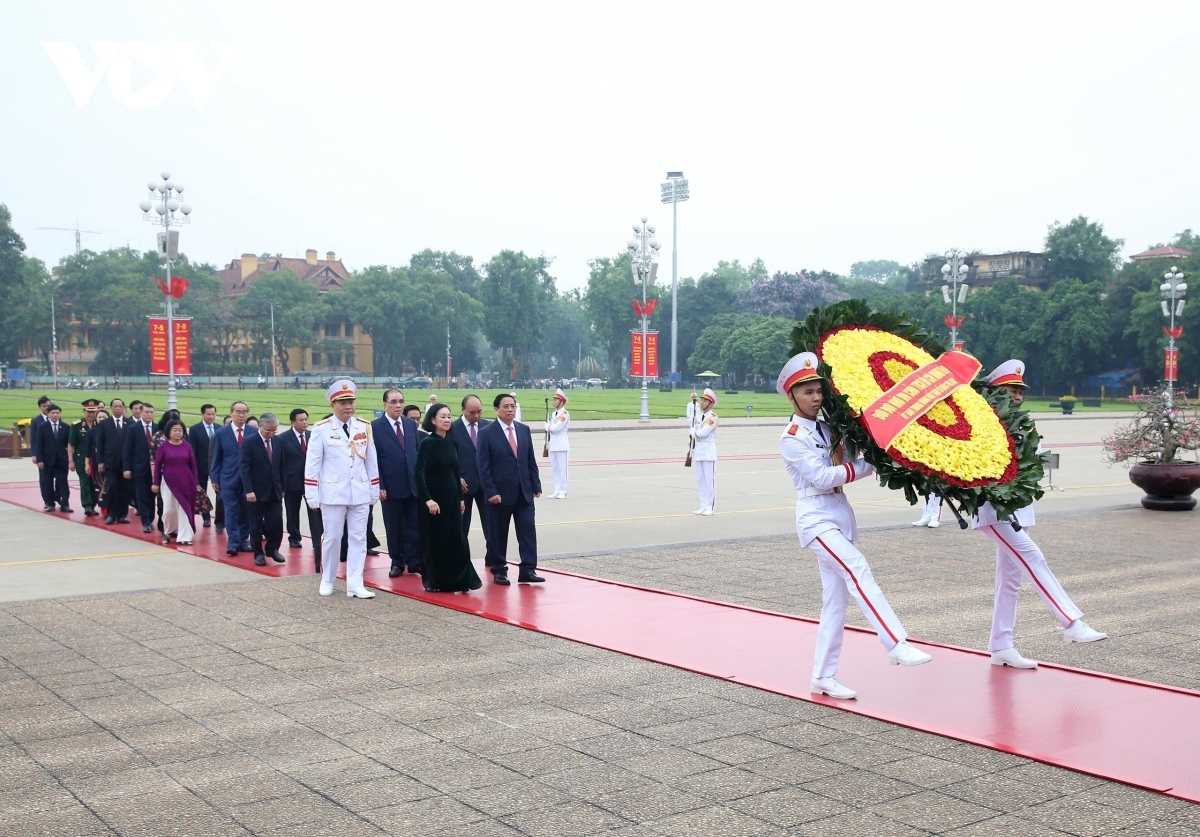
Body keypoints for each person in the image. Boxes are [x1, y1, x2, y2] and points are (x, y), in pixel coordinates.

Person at [777, 352, 931, 700]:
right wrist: (871, 465)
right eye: (807, 392)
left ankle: (822, 677)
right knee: (857, 567)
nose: (815, 397)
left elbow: (850, 454)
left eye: (818, 390)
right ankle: (896, 643)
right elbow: (822, 475)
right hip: (816, 518)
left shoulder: (830, 425)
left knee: (835, 603)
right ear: (792, 396)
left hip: (838, 513)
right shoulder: (791, 436)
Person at [972, 360, 1107, 669]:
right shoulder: (984, 422)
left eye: (1020, 390)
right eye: (1010, 389)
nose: (1017, 396)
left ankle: (1001, 645)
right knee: (1033, 558)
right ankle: (1071, 623)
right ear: (994, 392)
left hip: (1018, 507)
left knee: (1011, 578)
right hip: (993, 508)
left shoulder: (1020, 422)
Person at [305, 379, 380, 598]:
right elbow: (313, 464)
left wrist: (374, 488)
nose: (348, 406)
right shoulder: (321, 429)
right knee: (332, 537)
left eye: (351, 402)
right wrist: (312, 494)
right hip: (333, 492)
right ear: (333, 405)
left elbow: (371, 461)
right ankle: (328, 579)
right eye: (343, 402)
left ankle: (355, 583)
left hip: (359, 491)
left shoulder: (363, 427)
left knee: (359, 538)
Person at [476, 392, 543, 585]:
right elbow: (483, 466)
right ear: (496, 409)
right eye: (505, 406)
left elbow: (530, 459)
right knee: (498, 533)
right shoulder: (487, 433)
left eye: (512, 406)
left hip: (524, 492)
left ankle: (528, 570)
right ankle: (499, 570)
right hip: (499, 494)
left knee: (527, 531)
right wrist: (491, 491)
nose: (510, 410)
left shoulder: (523, 430)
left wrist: (535, 484)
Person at [416, 403, 482, 592]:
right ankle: (434, 581)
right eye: (442, 417)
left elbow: (456, 471)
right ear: (433, 420)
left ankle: (462, 579)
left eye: (448, 416)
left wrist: (461, 498)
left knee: (457, 539)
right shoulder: (427, 443)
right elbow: (419, 473)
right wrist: (428, 499)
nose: (446, 420)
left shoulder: (452, 442)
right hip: (433, 500)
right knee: (435, 541)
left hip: (452, 499)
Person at [373, 389, 421, 578]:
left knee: (415, 526)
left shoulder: (410, 424)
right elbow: (374, 459)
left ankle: (415, 562)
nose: (398, 405)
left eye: (401, 401)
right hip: (390, 487)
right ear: (385, 404)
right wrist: (380, 485)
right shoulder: (375, 427)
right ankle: (397, 562)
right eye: (393, 402)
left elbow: (415, 453)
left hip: (412, 485)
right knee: (393, 527)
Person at [211, 401, 256, 556]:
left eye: (244, 412)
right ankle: (233, 542)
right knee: (231, 510)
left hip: (247, 480)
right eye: (238, 411)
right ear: (231, 413)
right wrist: (214, 478)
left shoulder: (253, 432)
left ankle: (243, 540)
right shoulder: (222, 433)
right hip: (227, 478)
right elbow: (216, 457)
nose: (241, 415)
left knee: (245, 511)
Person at [240, 412, 286, 566]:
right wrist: (249, 490)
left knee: (276, 521)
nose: (271, 434)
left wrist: (283, 487)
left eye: (274, 430)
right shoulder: (249, 442)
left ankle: (273, 549)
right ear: (260, 426)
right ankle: (258, 554)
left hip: (275, 490)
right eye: (268, 430)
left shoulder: (279, 442)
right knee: (256, 524)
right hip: (256, 492)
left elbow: (282, 467)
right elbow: (244, 468)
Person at [449, 394, 491, 547]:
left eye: (479, 411)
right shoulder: (452, 429)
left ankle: (493, 559)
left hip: (486, 486)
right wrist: (456, 477)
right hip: (462, 487)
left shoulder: (489, 426)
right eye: (472, 412)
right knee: (461, 527)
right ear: (462, 410)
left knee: (491, 527)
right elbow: (447, 458)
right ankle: (460, 562)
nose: (476, 416)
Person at [151, 418, 198, 545]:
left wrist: (196, 483)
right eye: (175, 430)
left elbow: (193, 466)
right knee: (168, 509)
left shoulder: (187, 446)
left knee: (185, 509)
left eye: (180, 430)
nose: (178, 433)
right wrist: (155, 483)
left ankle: (185, 537)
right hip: (168, 482)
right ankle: (168, 531)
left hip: (186, 481)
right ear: (168, 432)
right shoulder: (163, 447)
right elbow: (157, 466)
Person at [278, 408, 316, 555]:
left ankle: (316, 538)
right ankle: (294, 537)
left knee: (314, 511)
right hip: (291, 481)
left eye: (306, 419)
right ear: (293, 422)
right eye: (301, 420)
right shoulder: (283, 438)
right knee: (292, 511)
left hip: (310, 482)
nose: (305, 422)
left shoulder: (312, 436)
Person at [122, 402, 157, 532]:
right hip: (139, 468)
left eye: (151, 412)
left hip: (154, 470)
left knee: (152, 496)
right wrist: (127, 468)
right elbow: (127, 449)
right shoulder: (133, 428)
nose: (149, 414)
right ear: (141, 413)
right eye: (146, 412)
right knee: (141, 495)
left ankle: (151, 518)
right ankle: (145, 522)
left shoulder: (158, 428)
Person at [96, 398, 131, 525]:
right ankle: (111, 514)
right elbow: (100, 444)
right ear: (111, 408)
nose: (118, 408)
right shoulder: (105, 423)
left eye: (120, 406)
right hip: (110, 462)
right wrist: (100, 461)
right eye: (115, 406)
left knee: (125, 489)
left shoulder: (130, 423)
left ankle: (122, 514)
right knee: (112, 487)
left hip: (126, 463)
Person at [67, 398, 102, 516]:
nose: (91, 414)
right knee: (85, 482)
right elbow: (71, 444)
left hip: (96, 459)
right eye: (88, 411)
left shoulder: (100, 424)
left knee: (96, 482)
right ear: (84, 411)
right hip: (81, 459)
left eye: (93, 412)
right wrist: (70, 461)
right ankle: (87, 505)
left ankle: (94, 504)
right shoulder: (76, 425)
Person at [33, 403, 71, 512]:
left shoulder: (65, 427)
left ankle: (65, 503)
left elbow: (68, 445)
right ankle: (50, 503)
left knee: (62, 481)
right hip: (47, 460)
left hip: (62, 460)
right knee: (47, 482)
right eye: (53, 413)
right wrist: (39, 460)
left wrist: (70, 459)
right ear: (48, 414)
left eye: (57, 413)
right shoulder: (42, 427)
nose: (55, 415)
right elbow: (39, 444)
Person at [188, 404, 219, 529]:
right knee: (202, 493)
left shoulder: (219, 428)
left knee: (220, 494)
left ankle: (220, 519)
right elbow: (192, 450)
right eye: (208, 414)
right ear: (202, 414)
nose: (211, 417)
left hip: (216, 466)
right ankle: (206, 517)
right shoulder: (195, 429)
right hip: (200, 467)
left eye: (213, 414)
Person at [690, 388, 719, 516]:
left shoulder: (713, 418)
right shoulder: (699, 416)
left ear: (711, 404)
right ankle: (702, 505)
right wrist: (693, 401)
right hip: (699, 450)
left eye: (705, 401)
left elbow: (703, 432)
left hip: (708, 451)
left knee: (709, 481)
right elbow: (691, 418)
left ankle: (710, 507)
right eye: (702, 400)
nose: (702, 402)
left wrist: (694, 432)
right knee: (700, 480)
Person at [545, 388, 571, 499]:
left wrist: (547, 426)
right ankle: (557, 489)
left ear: (561, 401)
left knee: (562, 469)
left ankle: (563, 491)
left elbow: (556, 428)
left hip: (561, 443)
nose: (553, 401)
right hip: (554, 443)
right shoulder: (555, 413)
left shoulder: (564, 414)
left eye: (555, 399)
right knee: (555, 468)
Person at [29, 395, 51, 466]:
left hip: (55, 452)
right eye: (44, 406)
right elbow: (33, 438)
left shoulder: (56, 418)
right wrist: (34, 454)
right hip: (42, 452)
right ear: (39, 407)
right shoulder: (36, 421)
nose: (46, 408)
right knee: (44, 475)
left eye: (48, 405)